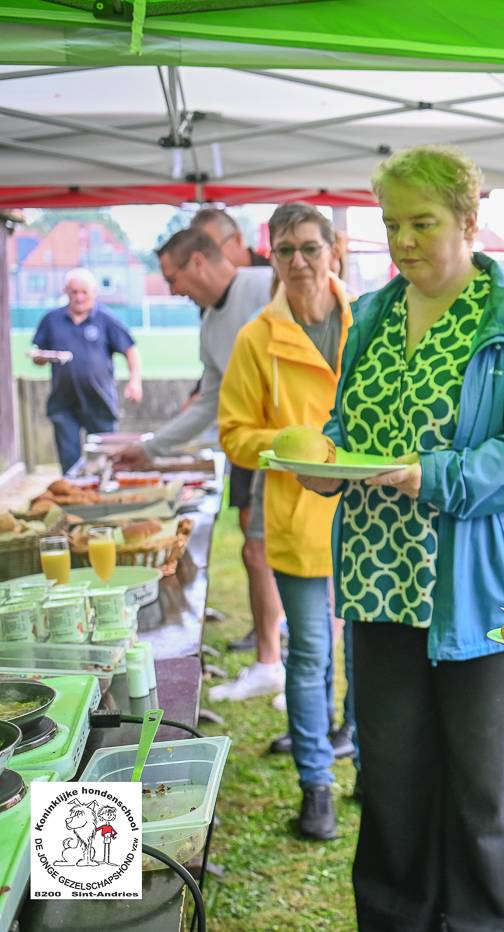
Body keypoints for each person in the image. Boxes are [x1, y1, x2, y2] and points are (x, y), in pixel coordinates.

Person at [297, 145, 504, 930]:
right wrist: (324, 461)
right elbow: (348, 427)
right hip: (381, 585)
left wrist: (443, 475)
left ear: (469, 220)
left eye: (423, 222)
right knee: (392, 784)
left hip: (484, 594)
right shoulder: (376, 316)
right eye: (392, 225)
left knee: (492, 796)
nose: (404, 240)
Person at [219, 201, 356, 840]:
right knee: (309, 657)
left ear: (335, 251)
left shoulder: (374, 322)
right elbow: (234, 434)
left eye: (309, 247)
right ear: (269, 259)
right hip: (298, 518)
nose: (298, 261)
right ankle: (316, 785)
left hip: (370, 518)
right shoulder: (256, 338)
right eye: (284, 250)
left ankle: (362, 755)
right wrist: (292, 442)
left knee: (368, 652)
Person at [114, 230, 288, 707]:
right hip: (251, 449)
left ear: (198, 262)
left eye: (172, 278)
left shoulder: (268, 282)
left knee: (307, 561)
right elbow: (208, 401)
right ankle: (271, 663)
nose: (171, 291)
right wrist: (151, 448)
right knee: (257, 556)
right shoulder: (211, 323)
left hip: (297, 444)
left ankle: (306, 673)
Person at [30, 268, 142, 472]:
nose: (79, 297)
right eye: (74, 292)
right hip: (64, 403)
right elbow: (37, 352)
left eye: (84, 292)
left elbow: (130, 350)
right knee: (70, 462)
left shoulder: (107, 319)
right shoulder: (51, 320)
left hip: (99, 401)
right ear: (66, 291)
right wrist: (40, 358)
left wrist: (135, 381)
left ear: (94, 292)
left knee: (106, 461)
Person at [191, 206, 271, 268]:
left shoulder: (273, 275)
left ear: (237, 239)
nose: (209, 261)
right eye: (204, 254)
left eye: (214, 250)